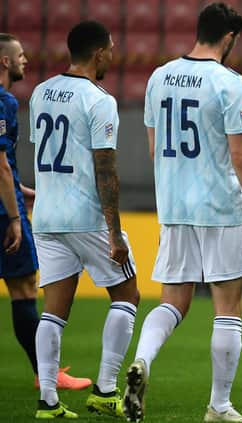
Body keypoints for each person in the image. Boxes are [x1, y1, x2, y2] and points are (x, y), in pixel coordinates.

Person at [122, 4, 242, 423]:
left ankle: (143, 362)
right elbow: (241, 153)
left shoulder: (159, 77)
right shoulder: (229, 82)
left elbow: (155, 151)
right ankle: (219, 406)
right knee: (228, 306)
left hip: (175, 206)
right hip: (219, 207)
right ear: (229, 38)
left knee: (173, 301)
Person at [30, 21, 139, 419]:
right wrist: (115, 233)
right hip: (85, 216)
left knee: (54, 310)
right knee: (128, 296)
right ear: (98, 54)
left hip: (45, 215)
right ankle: (106, 390)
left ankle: (48, 401)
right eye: (111, 49)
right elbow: (105, 168)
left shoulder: (41, 92)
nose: (113, 55)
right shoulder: (98, 100)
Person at [0, 34, 92, 393]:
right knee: (23, 290)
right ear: (5, 62)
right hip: (4, 214)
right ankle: (47, 374)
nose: (26, 60)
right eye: (20, 56)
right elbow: (1, 166)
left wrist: (23, 189)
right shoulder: (4, 101)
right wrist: (13, 216)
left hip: (8, 197)